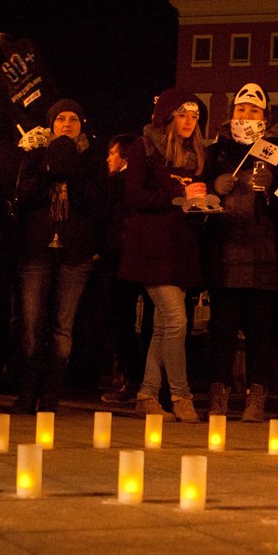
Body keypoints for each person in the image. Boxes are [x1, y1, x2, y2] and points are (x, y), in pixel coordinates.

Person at [117, 88, 208, 424]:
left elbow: (187, 199)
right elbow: (134, 194)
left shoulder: (195, 153)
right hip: (150, 247)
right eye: (183, 114)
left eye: (195, 115)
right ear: (169, 115)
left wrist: (202, 202)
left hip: (179, 247)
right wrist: (177, 193)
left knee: (162, 326)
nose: (189, 121)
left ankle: (147, 394)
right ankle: (182, 395)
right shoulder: (146, 145)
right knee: (177, 320)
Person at [203, 83, 278, 421]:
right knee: (222, 331)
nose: (246, 116)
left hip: (265, 257)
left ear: (265, 118)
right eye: (241, 110)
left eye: (253, 111)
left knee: (261, 334)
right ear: (232, 114)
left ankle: (257, 397)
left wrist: (271, 192)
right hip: (224, 255)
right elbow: (200, 196)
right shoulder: (215, 152)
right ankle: (218, 395)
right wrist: (215, 188)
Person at [9, 99, 104, 413]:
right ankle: (25, 394)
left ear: (81, 125)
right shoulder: (35, 154)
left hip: (74, 253)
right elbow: (23, 199)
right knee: (31, 324)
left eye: (73, 119)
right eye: (60, 118)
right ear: (50, 125)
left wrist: (72, 171)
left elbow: (95, 204)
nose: (66, 124)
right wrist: (49, 170)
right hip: (36, 249)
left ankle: (50, 397)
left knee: (62, 327)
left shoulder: (91, 158)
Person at [99, 134, 154, 404]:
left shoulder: (117, 185)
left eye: (112, 153)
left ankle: (134, 377)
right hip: (137, 255)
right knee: (144, 322)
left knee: (119, 319)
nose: (108, 158)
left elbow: (109, 219)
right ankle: (143, 378)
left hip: (121, 259)